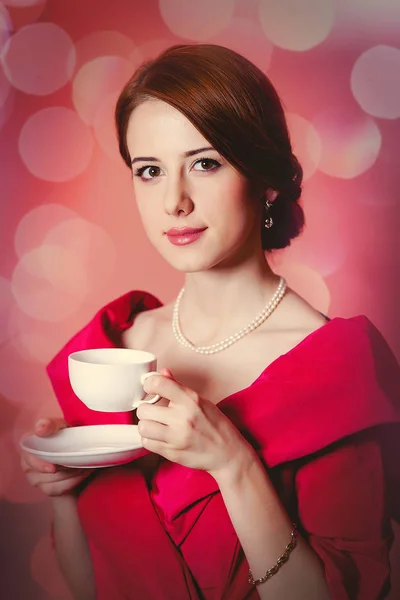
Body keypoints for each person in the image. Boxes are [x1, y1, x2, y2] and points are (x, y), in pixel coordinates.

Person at [21, 44, 400, 600]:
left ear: (266, 179)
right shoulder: (117, 350)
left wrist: (233, 465)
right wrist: (64, 491)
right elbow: (89, 586)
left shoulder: (334, 371)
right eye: (149, 171)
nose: (173, 201)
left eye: (204, 163)